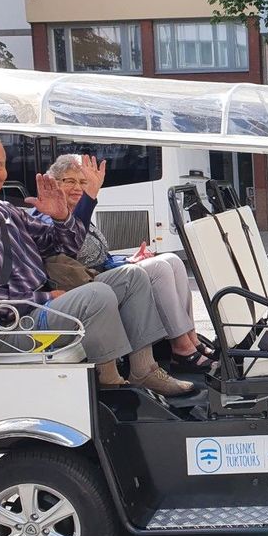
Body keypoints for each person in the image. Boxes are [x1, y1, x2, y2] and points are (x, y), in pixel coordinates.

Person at [0, 131, 195, 397]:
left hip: (43, 304)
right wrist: (43, 297)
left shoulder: (6, 211)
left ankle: (143, 370)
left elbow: (64, 247)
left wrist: (62, 217)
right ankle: (111, 384)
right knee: (96, 294)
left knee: (133, 276)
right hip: (6, 329)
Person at [44, 153, 217, 373]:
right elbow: (72, 251)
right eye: (70, 181)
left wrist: (127, 259)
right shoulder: (53, 217)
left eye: (83, 182)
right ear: (54, 184)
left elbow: (101, 256)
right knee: (159, 268)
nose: (78, 187)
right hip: (84, 284)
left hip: (103, 273)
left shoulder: (78, 216)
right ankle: (181, 348)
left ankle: (192, 339)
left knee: (172, 260)